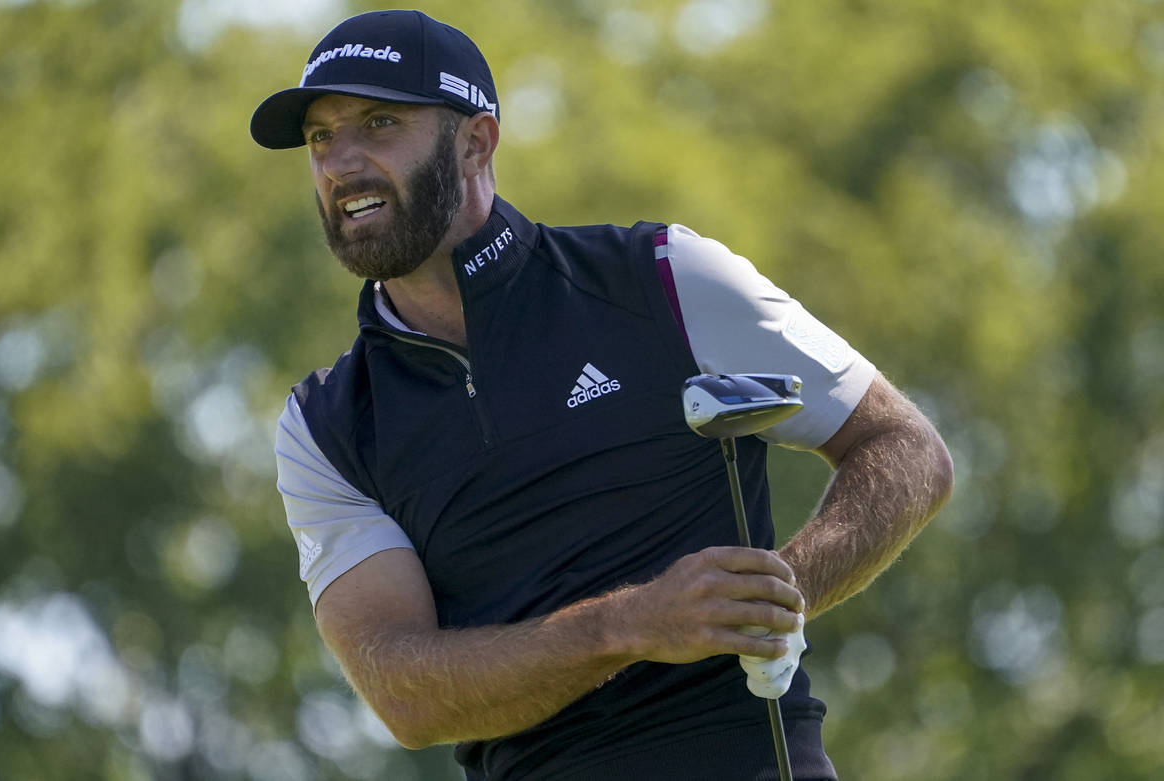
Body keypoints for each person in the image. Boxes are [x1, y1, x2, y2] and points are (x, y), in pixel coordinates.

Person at [255, 10, 953, 781]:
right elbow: (403, 692)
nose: (341, 162)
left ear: (475, 141)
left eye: (379, 123)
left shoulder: (660, 276)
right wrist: (632, 623)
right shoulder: (325, 425)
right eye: (321, 136)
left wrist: (776, 594)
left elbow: (906, 446)